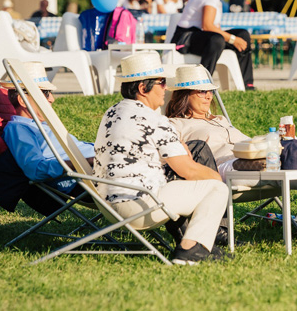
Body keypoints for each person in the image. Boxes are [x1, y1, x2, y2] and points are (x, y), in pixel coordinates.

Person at [92, 52, 229, 265]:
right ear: (142, 88)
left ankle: (195, 242)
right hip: (139, 206)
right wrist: (217, 176)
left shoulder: (112, 113)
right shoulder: (154, 119)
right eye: (161, 82)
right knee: (216, 188)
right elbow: (188, 170)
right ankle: (190, 249)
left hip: (106, 204)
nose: (165, 88)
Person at [1, 61, 95, 196]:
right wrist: (87, 161)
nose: (52, 99)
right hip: (88, 178)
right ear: (22, 100)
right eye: (45, 93)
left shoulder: (41, 125)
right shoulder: (18, 129)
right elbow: (35, 169)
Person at [171, 0, 255, 90]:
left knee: (242, 34)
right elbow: (207, 26)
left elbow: (213, 27)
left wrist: (234, 38)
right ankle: (202, 84)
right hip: (185, 39)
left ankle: (247, 85)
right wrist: (232, 39)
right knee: (217, 40)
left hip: (197, 36)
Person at [166, 65, 250, 181]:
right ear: (185, 95)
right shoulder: (176, 124)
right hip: (221, 168)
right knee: (266, 164)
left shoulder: (220, 120)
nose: (209, 97)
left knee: (279, 152)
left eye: (210, 91)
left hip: (250, 157)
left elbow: (250, 142)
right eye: (202, 91)